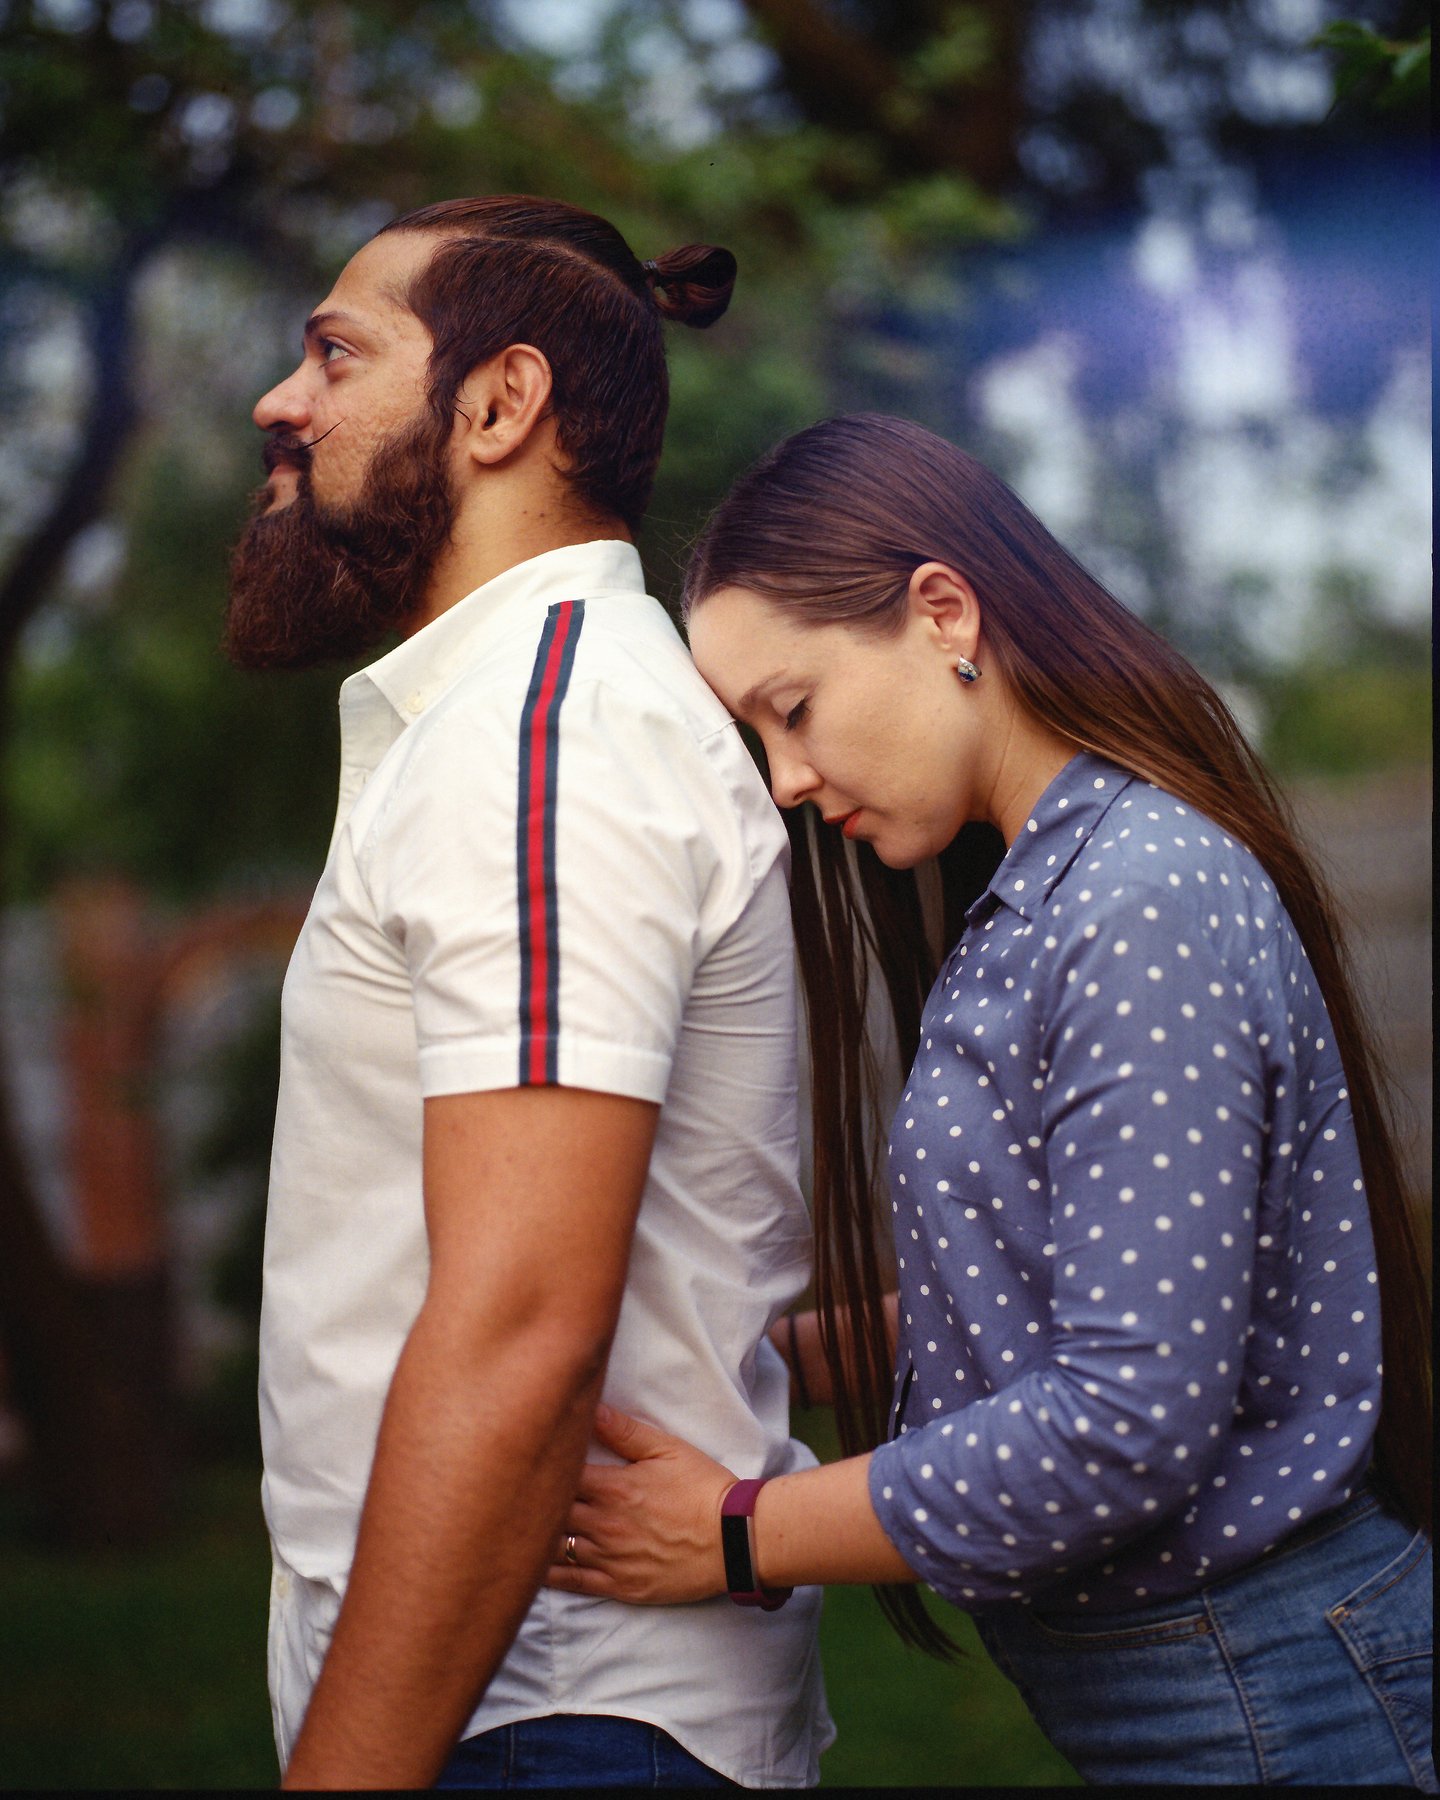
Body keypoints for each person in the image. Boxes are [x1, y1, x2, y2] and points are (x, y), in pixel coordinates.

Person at [544, 413, 1435, 1789]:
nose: (787, 780)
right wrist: (769, 1349)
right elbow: (1088, 1278)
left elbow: (1130, 1418)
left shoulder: (1135, 901)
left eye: (794, 709)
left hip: (1274, 1700)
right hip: (1231, 1690)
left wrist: (738, 1532)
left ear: (944, 614)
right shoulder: (1047, 895)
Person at [227, 196, 832, 1791]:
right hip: (519, 1704)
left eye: (335, 354)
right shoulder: (512, 717)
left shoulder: (548, 735)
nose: (282, 402)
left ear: (500, 404)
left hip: (554, 1717)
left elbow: (521, 1329)